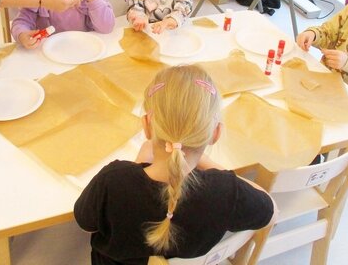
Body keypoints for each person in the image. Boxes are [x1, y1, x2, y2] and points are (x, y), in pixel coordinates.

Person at [74, 65, 276, 265]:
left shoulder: (113, 181)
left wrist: (139, 165)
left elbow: (86, 225)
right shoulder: (225, 192)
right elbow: (271, 210)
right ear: (215, 133)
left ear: (147, 126)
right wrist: (206, 162)